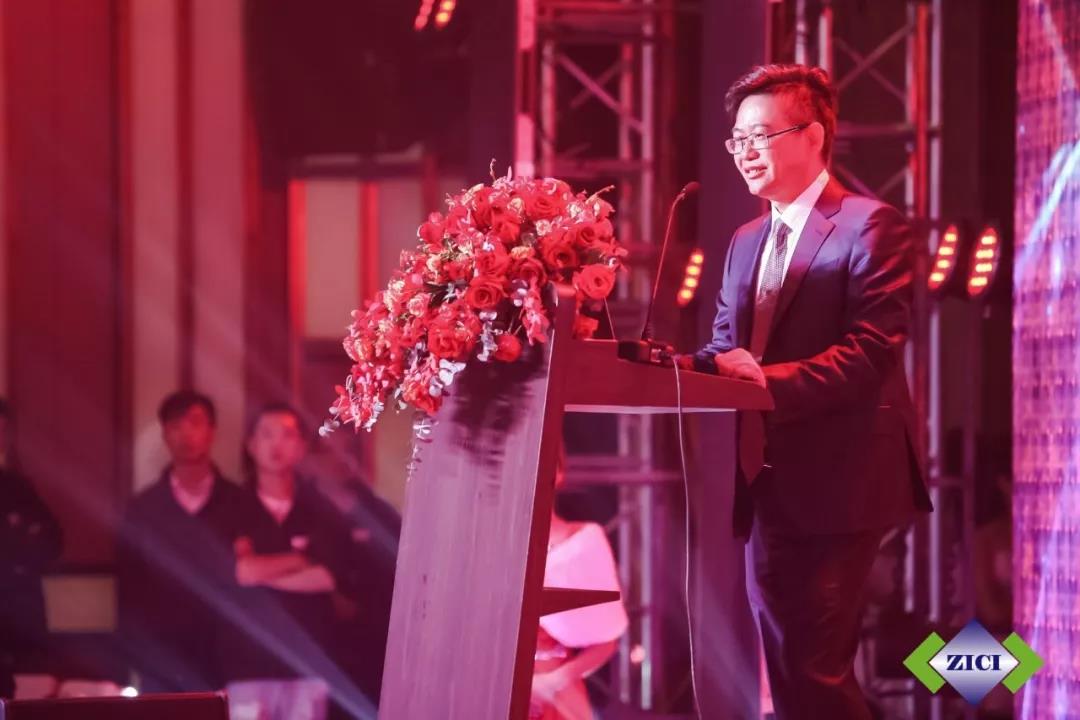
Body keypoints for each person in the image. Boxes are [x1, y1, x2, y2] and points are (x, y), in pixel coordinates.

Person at [678, 64, 932, 719]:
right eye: (736, 140)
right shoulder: (745, 241)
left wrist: (765, 383)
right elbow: (726, 349)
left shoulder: (869, 225)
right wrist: (663, 365)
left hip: (843, 481)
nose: (744, 152)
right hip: (767, 482)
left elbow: (871, 353)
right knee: (790, 669)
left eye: (759, 136)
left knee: (815, 670)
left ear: (813, 135)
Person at [218, 404, 366, 720]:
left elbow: (326, 578)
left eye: (287, 435)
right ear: (251, 445)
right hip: (247, 659)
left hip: (309, 660)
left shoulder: (320, 507)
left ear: (301, 447)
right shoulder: (231, 504)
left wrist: (262, 572)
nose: (276, 444)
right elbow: (242, 573)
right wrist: (301, 559)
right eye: (266, 434)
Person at [117, 390, 245, 693]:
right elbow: (128, 587)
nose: (186, 433)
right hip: (161, 654)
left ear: (212, 431)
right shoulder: (144, 508)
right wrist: (134, 651)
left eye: (195, 423)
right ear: (165, 434)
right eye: (175, 425)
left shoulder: (239, 502)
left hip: (226, 652)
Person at [529, 448, 627, 720]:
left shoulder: (582, 543)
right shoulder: (489, 551)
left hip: (556, 698)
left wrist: (551, 683)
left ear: (558, 473)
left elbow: (606, 642)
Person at [0, 398, 62, 699]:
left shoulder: (17, 487)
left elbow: (52, 540)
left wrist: (15, 546)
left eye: (2, 431)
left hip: (18, 619)